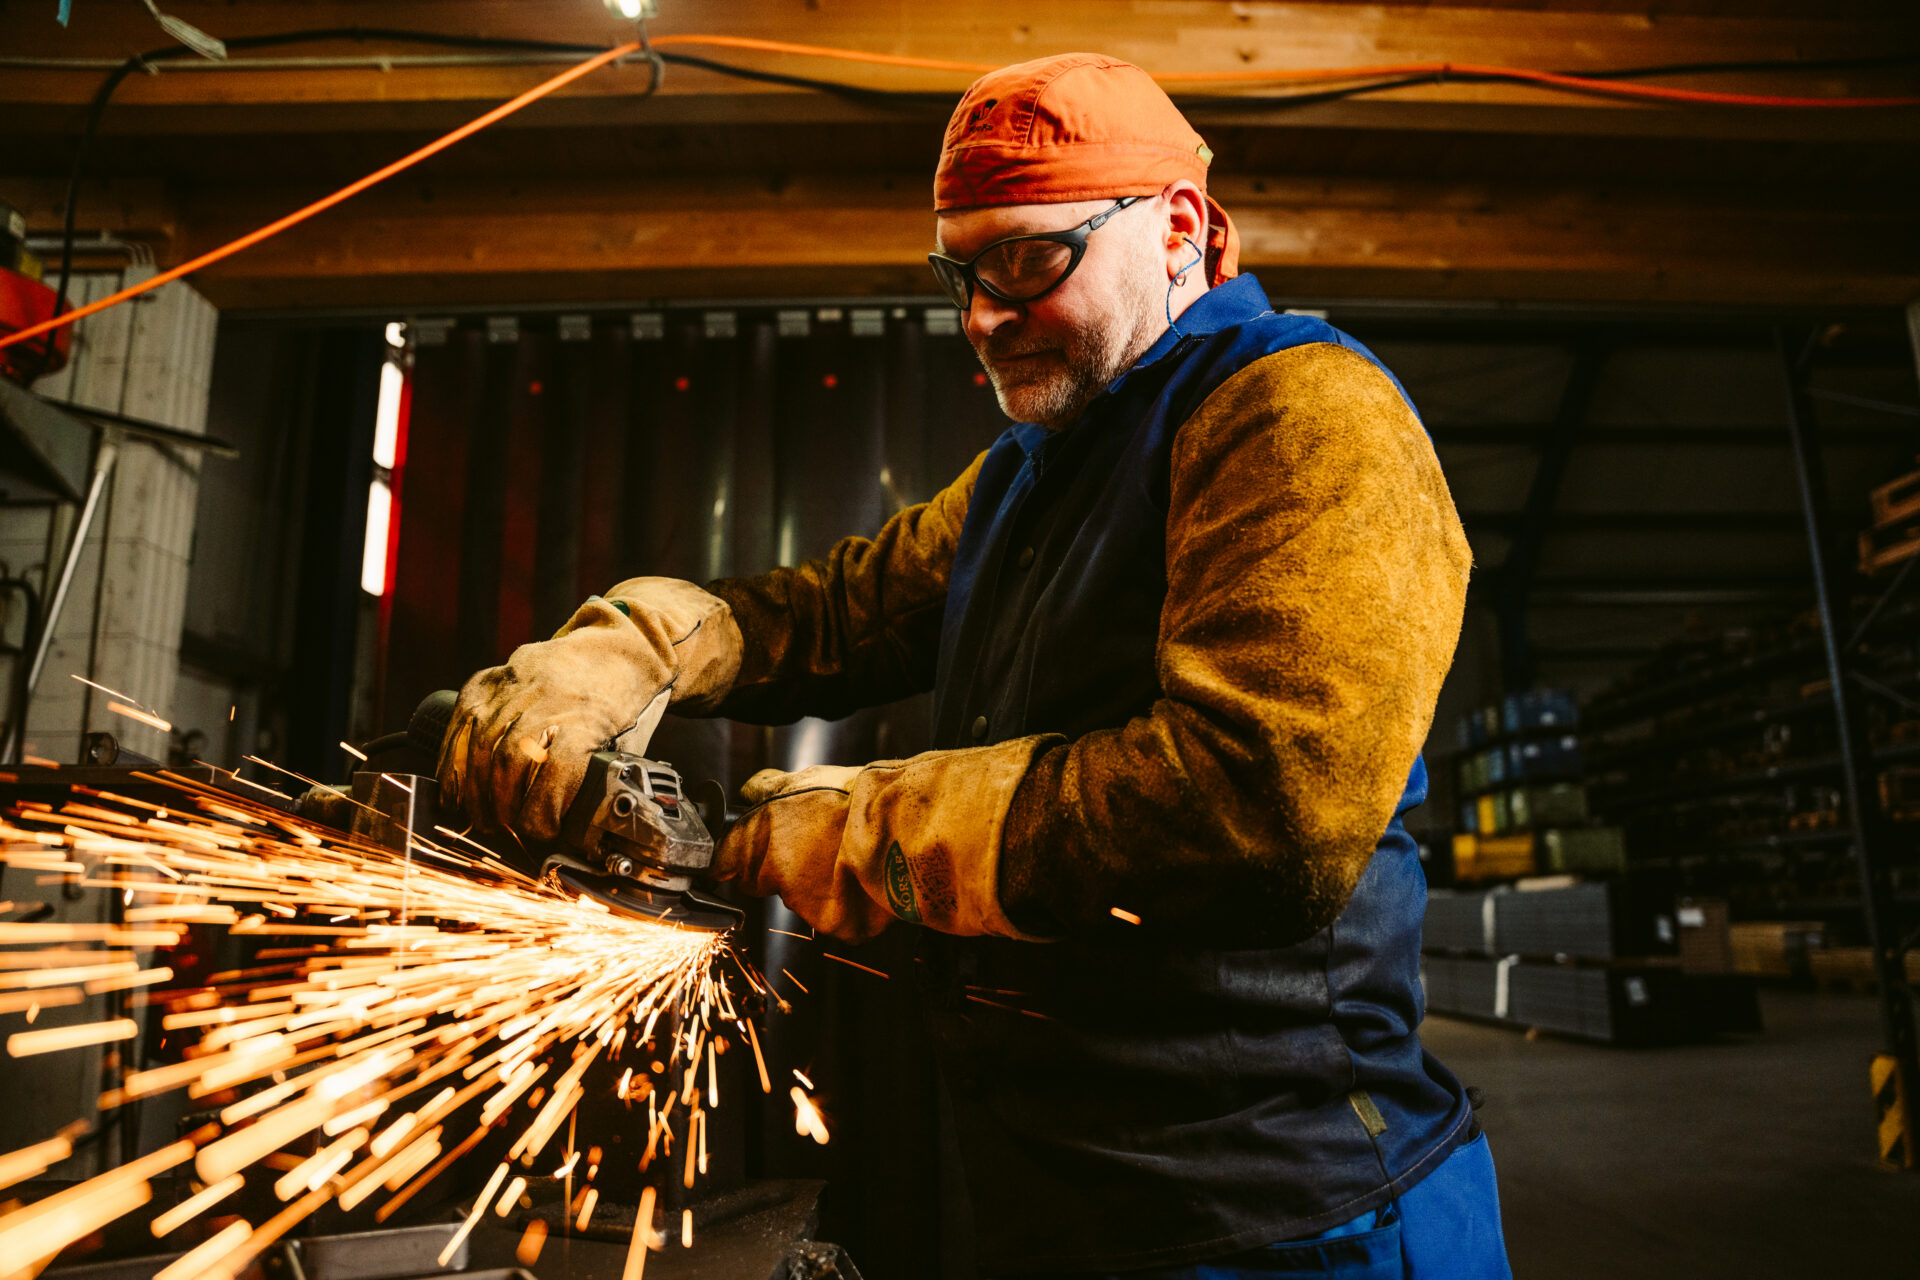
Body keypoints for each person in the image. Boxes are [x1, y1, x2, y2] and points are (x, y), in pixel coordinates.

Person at [439, 51, 1509, 1280]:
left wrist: (880, 831)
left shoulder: (1301, 414)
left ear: (1176, 227)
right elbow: (840, 611)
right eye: (962, 272)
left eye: (1030, 260)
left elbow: (1264, 803)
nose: (983, 316)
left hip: (1285, 1208)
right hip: (1061, 1197)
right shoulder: (1033, 469)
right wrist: (644, 639)